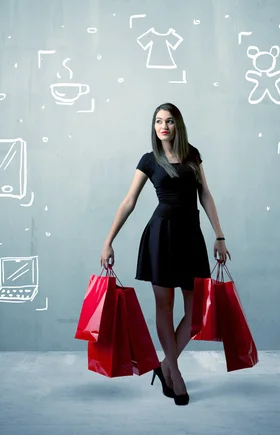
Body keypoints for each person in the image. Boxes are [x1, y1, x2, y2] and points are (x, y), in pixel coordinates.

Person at [99, 102, 231, 406]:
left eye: (169, 121)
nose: (163, 126)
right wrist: (108, 241)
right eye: (158, 121)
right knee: (164, 308)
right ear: (154, 126)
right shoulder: (149, 160)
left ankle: (165, 366)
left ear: (178, 125)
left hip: (191, 236)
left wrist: (220, 236)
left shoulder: (192, 155)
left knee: (196, 314)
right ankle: (175, 374)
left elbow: (206, 195)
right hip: (161, 236)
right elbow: (129, 201)